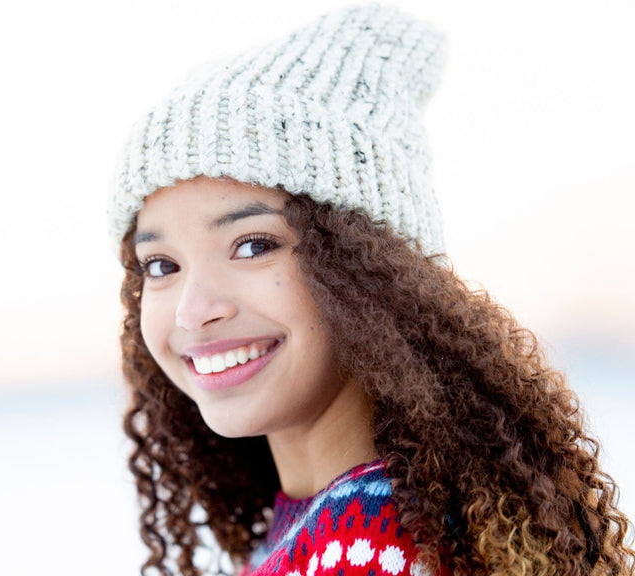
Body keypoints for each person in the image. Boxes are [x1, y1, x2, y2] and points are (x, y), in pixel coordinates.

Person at [108, 5, 635, 576]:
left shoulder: (364, 550)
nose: (193, 310)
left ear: (369, 272)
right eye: (160, 264)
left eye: (253, 246)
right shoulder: (343, 527)